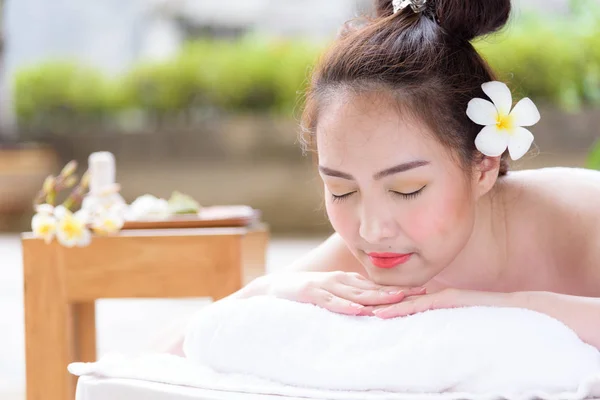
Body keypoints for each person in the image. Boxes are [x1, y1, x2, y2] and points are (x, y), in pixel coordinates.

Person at [170, 0, 600, 355]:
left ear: (483, 164)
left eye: (406, 189)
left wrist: (509, 307)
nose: (371, 229)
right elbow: (165, 351)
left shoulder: (584, 217)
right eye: (341, 190)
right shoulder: (353, 264)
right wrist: (272, 290)